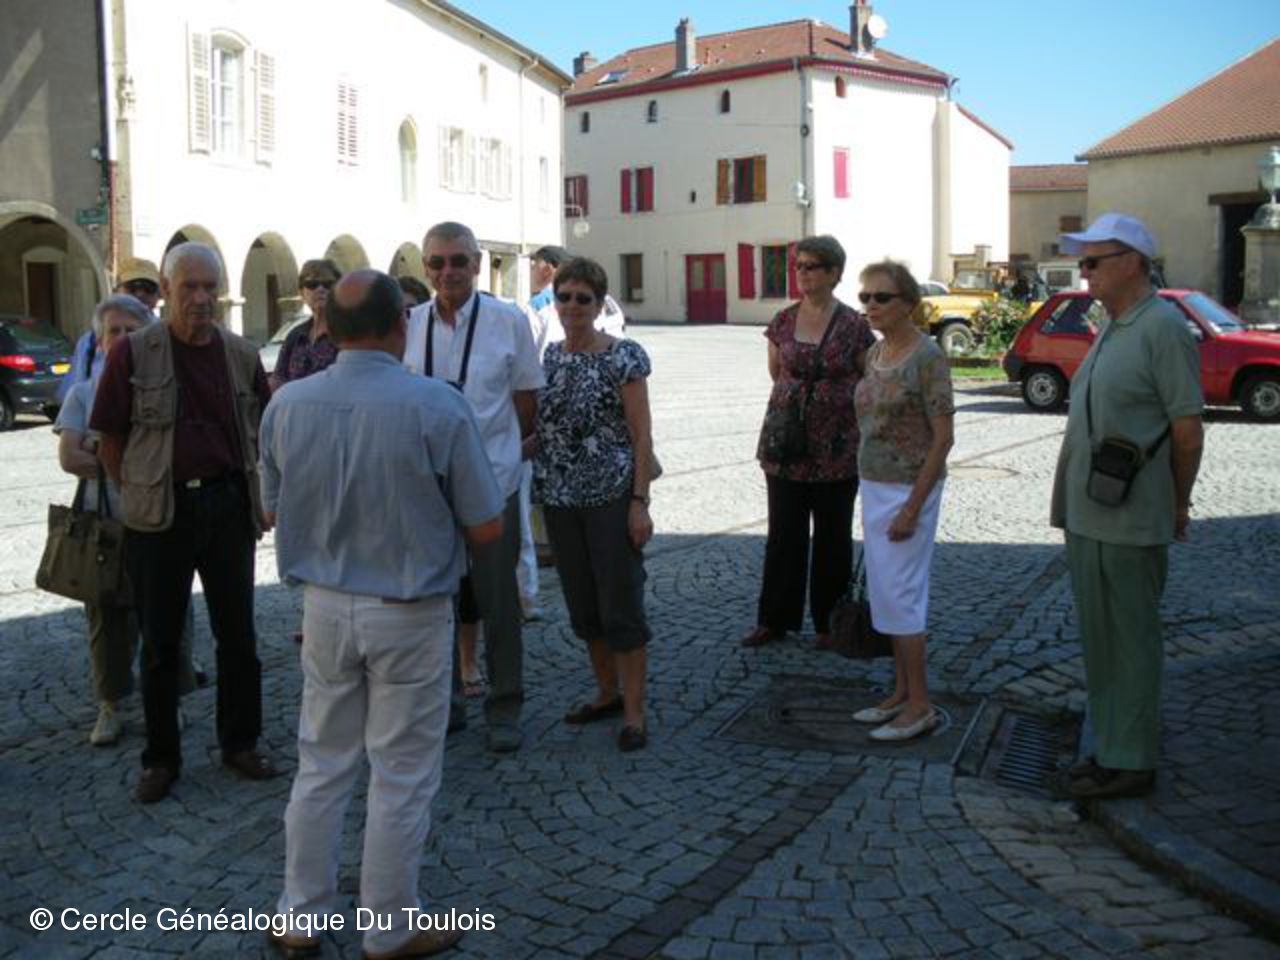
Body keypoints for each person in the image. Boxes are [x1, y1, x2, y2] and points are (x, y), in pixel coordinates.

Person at [262, 270, 502, 960]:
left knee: (321, 764)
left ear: (330, 329)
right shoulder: (436, 405)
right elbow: (487, 526)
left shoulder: (287, 405)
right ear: (401, 323)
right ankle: (389, 926)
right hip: (408, 608)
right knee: (401, 773)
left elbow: (273, 508)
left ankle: (300, 915)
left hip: (324, 606)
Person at [91, 242, 277, 803]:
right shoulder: (134, 353)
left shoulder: (240, 353)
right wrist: (137, 492)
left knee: (238, 635)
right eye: (189, 287)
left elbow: (264, 429)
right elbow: (110, 437)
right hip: (160, 513)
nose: (200, 298)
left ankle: (239, 743)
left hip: (227, 508)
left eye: (209, 288)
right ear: (167, 290)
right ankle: (161, 759)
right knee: (161, 642)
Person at [1049, 213, 1203, 800]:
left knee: (1132, 639)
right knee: (1100, 638)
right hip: (1090, 509)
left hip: (1131, 512)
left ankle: (1133, 760)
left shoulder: (1162, 328)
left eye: (1094, 261)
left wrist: (1177, 502)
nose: (1084, 271)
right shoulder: (1113, 325)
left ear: (1134, 263)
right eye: (1082, 261)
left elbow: (1187, 431)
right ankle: (1109, 747)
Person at [404, 222, 544, 753]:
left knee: (498, 600)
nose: (448, 272)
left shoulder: (509, 321)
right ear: (425, 268)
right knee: (433, 601)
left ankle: (504, 706)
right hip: (429, 486)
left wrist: (499, 452)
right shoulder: (410, 324)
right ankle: (445, 704)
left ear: (478, 264)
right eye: (437, 262)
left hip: (491, 482)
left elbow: (526, 402)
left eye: (458, 261)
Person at [533, 257, 655, 752]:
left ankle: (634, 713)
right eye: (563, 297)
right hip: (560, 498)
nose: (572, 306)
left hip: (610, 495)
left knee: (620, 602)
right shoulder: (548, 359)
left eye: (583, 298)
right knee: (583, 603)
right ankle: (606, 692)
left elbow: (641, 435)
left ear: (600, 303)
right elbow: (542, 433)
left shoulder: (622, 356)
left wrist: (639, 502)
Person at [742, 235, 875, 650]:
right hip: (786, 445)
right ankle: (774, 620)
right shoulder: (782, 321)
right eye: (798, 265)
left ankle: (828, 623)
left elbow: (867, 379)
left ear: (834, 273)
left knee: (833, 537)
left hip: (837, 448)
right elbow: (776, 372)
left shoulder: (854, 326)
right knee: (783, 535)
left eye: (811, 265)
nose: (802, 272)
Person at [850, 260, 954, 742]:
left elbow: (943, 438)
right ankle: (900, 691)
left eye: (881, 297)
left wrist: (912, 507)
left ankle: (920, 705)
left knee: (903, 596)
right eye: (865, 297)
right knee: (886, 594)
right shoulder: (876, 353)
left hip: (909, 489)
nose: (870, 305)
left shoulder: (927, 358)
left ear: (908, 303)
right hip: (875, 485)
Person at [57, 257, 162, 405]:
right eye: (132, 287)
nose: (140, 294)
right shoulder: (89, 342)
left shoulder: (169, 338)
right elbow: (72, 396)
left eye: (148, 288)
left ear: (158, 294)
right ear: (116, 291)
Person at [269, 259, 341, 392]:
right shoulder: (295, 335)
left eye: (328, 284)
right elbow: (278, 378)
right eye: (312, 284)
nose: (320, 289)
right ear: (302, 292)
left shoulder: (346, 334)